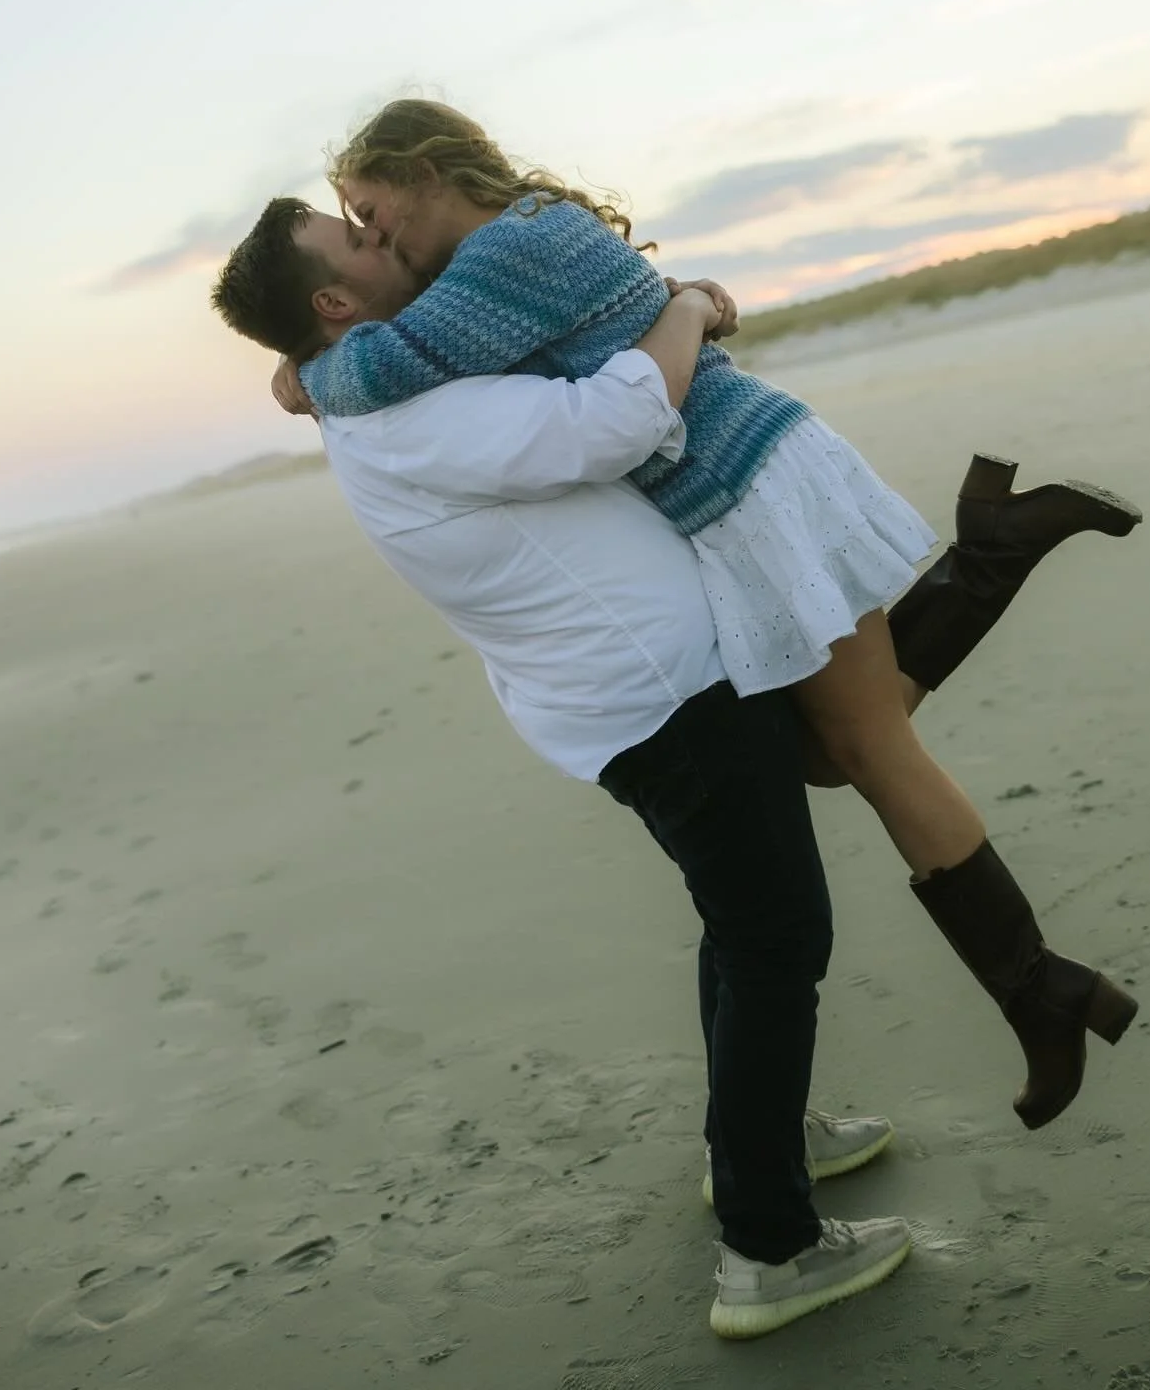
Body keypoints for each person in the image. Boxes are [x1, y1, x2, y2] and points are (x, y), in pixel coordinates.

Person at [269, 100, 1140, 1128]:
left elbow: (382, 362)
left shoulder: (511, 254)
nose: (375, 238)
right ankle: (993, 550)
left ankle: (1041, 993)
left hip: (749, 484)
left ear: (427, 174)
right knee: (834, 751)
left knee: (872, 753)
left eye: (371, 211)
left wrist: (305, 369)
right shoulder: (510, 247)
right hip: (738, 490)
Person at [214, 205, 914, 1338]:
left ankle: (756, 1146)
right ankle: (767, 1251)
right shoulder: (411, 408)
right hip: (658, 692)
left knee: (741, 925)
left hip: (629, 687)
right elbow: (615, 420)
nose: (379, 239)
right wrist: (686, 303)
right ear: (334, 305)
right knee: (781, 935)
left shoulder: (371, 385)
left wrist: (299, 372)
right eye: (353, 240)